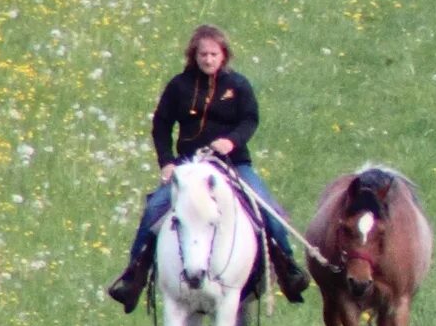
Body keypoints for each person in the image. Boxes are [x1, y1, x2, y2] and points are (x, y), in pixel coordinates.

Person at [107, 24, 309, 310]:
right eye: (203, 54)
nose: (208, 60)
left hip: (233, 164)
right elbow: (161, 125)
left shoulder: (238, 85)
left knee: (269, 209)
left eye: (214, 54)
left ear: (224, 56)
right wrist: (166, 163)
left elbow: (250, 119)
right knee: (155, 208)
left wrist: (231, 141)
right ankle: (133, 277)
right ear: (194, 55)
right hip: (189, 166)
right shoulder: (178, 86)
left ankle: (288, 269)